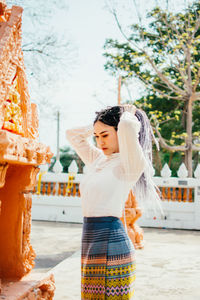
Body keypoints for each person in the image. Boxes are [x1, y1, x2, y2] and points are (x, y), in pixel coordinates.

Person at [66, 104, 161, 299]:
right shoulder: (99, 160)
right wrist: (99, 124)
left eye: (105, 135)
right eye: (96, 136)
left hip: (111, 240)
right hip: (90, 239)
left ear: (120, 132)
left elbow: (127, 126)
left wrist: (127, 113)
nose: (100, 141)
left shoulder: (130, 163)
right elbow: (72, 135)